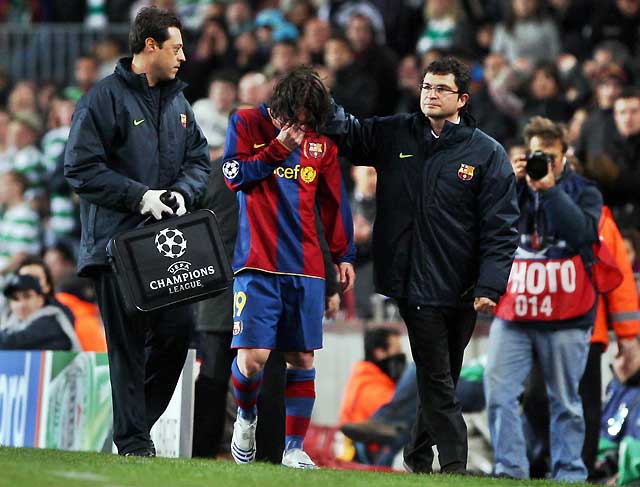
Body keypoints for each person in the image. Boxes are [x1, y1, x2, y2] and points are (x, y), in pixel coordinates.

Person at [326, 56, 519, 474]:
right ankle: (454, 465)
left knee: (443, 374)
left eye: (441, 89)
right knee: (436, 375)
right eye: (427, 87)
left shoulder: (487, 153)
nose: (431, 95)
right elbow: (351, 134)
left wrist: (490, 285)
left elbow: (501, 226)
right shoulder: (396, 132)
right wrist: (322, 102)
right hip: (413, 279)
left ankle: (415, 456)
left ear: (462, 99)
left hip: (463, 285)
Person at [63, 7, 210, 457]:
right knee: (126, 346)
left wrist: (182, 193)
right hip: (115, 244)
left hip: (165, 245)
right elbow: (80, 168)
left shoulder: (179, 104)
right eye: (176, 48)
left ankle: (133, 428)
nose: (183, 57)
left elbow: (199, 161)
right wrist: (140, 196)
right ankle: (133, 443)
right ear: (150, 46)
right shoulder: (102, 99)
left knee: (177, 332)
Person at [221, 66, 356, 469]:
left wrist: (344, 255)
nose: (296, 126)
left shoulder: (322, 145)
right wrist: (277, 149)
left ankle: (294, 448)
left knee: (302, 358)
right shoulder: (246, 122)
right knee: (254, 358)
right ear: (277, 105)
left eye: (305, 120)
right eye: (290, 116)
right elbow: (235, 176)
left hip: (305, 267)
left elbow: (333, 204)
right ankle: (246, 417)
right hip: (256, 263)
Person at [485, 116, 603, 482]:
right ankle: (509, 469)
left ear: (565, 155)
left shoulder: (585, 191)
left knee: (565, 401)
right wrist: (510, 183)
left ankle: (568, 473)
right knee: (499, 393)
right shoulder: (516, 187)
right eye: (538, 155)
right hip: (515, 312)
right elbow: (488, 223)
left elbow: (583, 234)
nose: (543, 162)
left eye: (550, 156)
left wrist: (551, 191)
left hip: (567, 314)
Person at [0, 274, 81, 351]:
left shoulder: (51, 320)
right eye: (15, 298)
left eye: (27, 296)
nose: (21, 304)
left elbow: (14, 342)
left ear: (40, 300)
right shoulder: (11, 325)